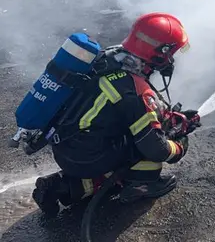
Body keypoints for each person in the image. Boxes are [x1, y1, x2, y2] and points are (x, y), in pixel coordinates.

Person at [31, 12, 198, 215]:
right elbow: (157, 149)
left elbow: (127, 107)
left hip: (67, 149)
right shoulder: (134, 89)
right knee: (148, 146)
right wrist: (179, 143)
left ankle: (61, 187)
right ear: (161, 52)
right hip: (89, 159)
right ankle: (140, 185)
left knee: (132, 137)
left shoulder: (112, 57)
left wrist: (166, 116)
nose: (172, 60)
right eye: (171, 53)